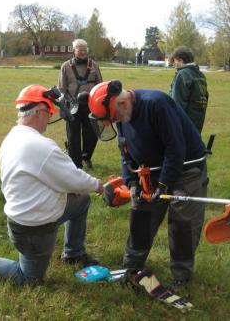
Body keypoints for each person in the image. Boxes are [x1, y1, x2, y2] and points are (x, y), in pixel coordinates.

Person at [0, 84, 103, 285]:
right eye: (50, 112)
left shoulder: (13, 136)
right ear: (40, 112)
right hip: (34, 229)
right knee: (30, 279)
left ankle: (73, 253)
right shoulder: (41, 146)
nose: (50, 118)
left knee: (81, 201)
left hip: (26, 217)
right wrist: (99, 186)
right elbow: (74, 179)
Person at [87, 80, 208, 291]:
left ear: (123, 103)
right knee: (141, 214)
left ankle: (182, 276)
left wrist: (164, 184)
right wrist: (131, 181)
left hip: (187, 168)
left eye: (112, 118)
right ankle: (132, 266)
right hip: (151, 170)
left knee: (182, 223)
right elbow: (125, 152)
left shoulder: (157, 104)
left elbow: (175, 148)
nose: (112, 123)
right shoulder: (123, 114)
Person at [58, 39, 102, 169]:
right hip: (72, 105)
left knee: (92, 134)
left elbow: (100, 85)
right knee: (73, 135)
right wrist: (65, 103)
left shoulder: (94, 65)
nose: (83, 52)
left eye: (85, 49)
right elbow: (62, 88)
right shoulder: (65, 66)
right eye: (79, 49)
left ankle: (86, 157)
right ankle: (76, 164)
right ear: (74, 50)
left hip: (91, 105)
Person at [169, 46, 208, 133]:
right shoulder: (201, 75)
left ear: (180, 60)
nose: (174, 65)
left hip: (183, 128)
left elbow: (176, 104)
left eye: (174, 61)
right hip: (197, 126)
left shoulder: (182, 74)